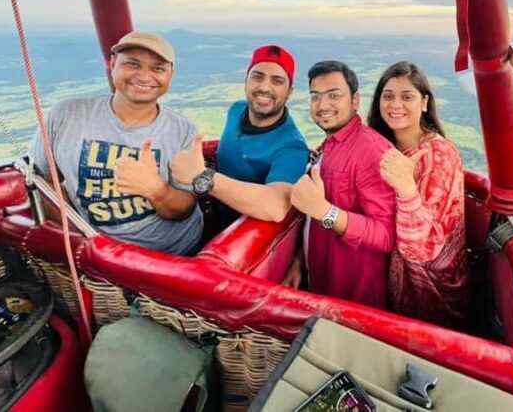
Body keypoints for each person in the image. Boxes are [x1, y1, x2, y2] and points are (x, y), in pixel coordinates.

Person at [32, 31, 202, 255]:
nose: (144, 76)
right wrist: (85, 240)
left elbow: (184, 207)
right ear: (112, 64)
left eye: (157, 68)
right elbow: (43, 182)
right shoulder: (66, 114)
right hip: (98, 254)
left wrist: (156, 190)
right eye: (133, 64)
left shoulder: (183, 131)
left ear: (170, 75)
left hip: (174, 253)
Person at [286, 61, 396, 309]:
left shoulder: (372, 150)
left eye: (334, 95)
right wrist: (299, 262)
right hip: (321, 285)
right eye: (316, 97)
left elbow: (385, 235)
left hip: (354, 302)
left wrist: (325, 212)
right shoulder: (330, 143)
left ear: (355, 100)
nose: (323, 105)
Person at [367, 61, 469, 327]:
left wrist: (406, 189)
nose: (395, 105)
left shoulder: (439, 156)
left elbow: (424, 248)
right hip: (385, 283)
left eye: (407, 97)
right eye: (387, 96)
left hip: (432, 295)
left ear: (424, 103)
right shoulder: (380, 146)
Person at [171, 45, 309, 231]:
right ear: (246, 81)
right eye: (257, 76)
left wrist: (202, 177)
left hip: (240, 238)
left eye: (277, 81)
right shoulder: (236, 109)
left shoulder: (292, 148)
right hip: (216, 220)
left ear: (290, 92)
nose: (265, 87)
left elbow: (276, 207)